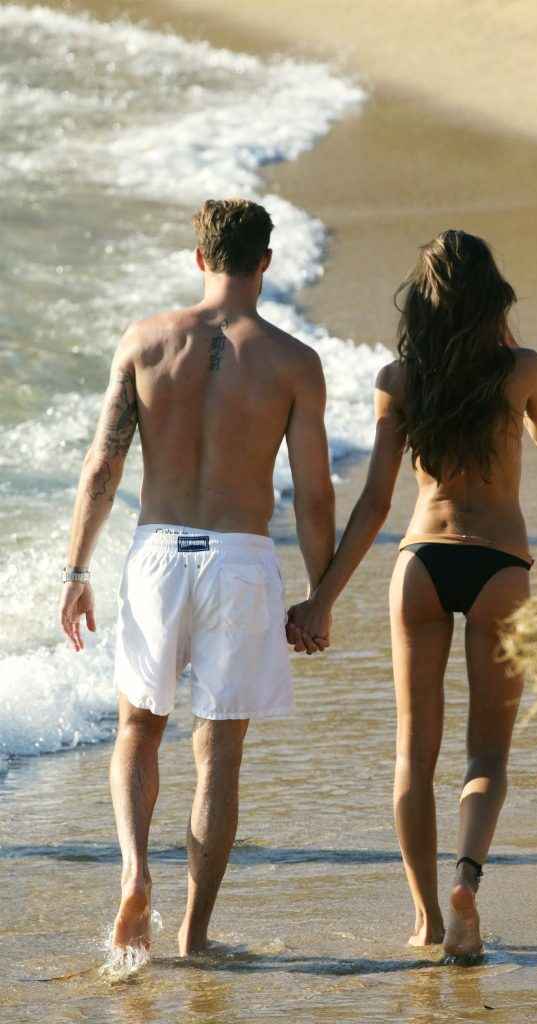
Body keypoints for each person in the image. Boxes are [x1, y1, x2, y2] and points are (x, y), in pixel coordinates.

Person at [59, 198, 335, 958]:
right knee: (218, 756)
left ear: (200, 259)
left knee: (137, 730)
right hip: (240, 559)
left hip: (158, 552)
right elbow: (314, 495)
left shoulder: (145, 341)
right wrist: (320, 594)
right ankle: (194, 935)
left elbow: (104, 463)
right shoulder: (292, 362)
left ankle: (134, 875)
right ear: (266, 263)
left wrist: (77, 568)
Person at [288, 230, 537, 960]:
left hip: (421, 563)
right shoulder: (521, 369)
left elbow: (376, 501)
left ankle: (426, 920)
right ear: (494, 300)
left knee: (414, 755)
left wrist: (322, 597)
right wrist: (509, 353)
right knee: (488, 757)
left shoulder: (400, 380)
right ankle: (466, 879)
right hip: (501, 566)